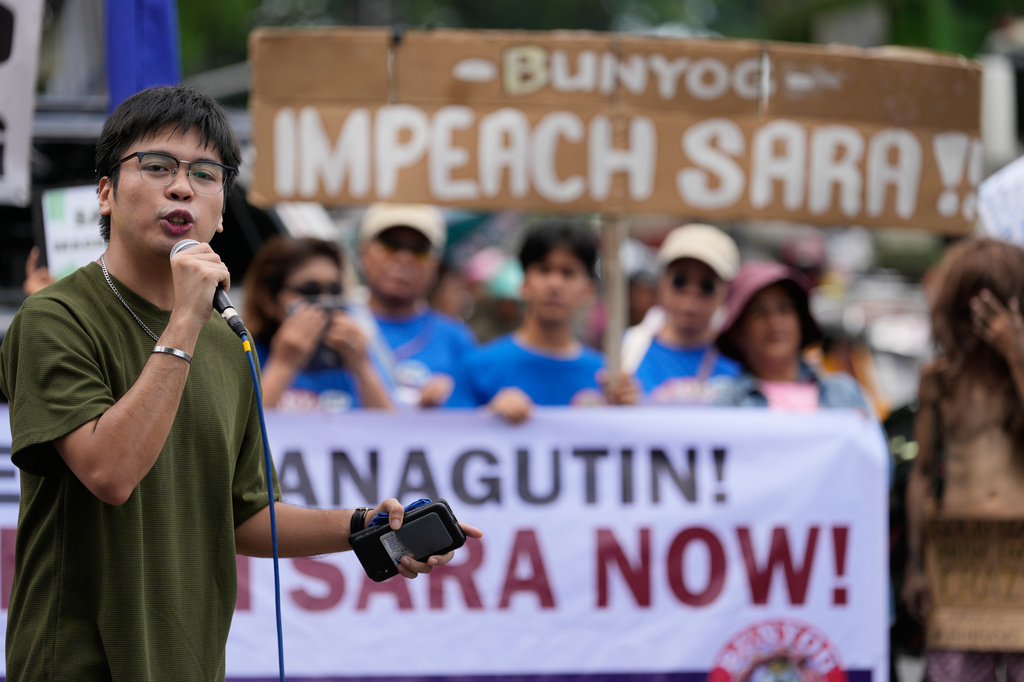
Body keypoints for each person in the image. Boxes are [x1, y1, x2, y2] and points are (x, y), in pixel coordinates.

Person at [0, 85, 481, 682]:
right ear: (105, 193)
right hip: (77, 661)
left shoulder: (229, 341)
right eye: (156, 167)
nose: (182, 187)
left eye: (206, 174)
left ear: (221, 210)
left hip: (191, 659)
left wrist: (366, 526)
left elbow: (246, 516)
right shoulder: (56, 317)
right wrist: (184, 321)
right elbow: (110, 473)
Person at [902, 238, 1024, 682]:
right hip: (958, 560)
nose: (981, 323)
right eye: (973, 309)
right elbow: (920, 473)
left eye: (993, 310)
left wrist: (1015, 353)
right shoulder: (940, 379)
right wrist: (916, 566)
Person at [465, 221, 605, 423]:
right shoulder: (478, 367)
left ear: (589, 290)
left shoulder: (605, 379)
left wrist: (627, 411)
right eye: (543, 270)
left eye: (568, 272)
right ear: (523, 283)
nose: (554, 284)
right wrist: (487, 419)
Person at [241, 234, 392, 411]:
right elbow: (244, 434)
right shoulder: (245, 355)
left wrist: (362, 366)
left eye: (335, 291)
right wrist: (283, 364)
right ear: (269, 299)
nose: (325, 302)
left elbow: (390, 430)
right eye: (310, 291)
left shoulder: (350, 354)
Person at [358, 202, 477, 408]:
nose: (404, 258)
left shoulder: (456, 339)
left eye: (419, 250)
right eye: (390, 245)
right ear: (364, 252)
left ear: (435, 265)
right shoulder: (338, 324)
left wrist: (450, 399)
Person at [611, 223, 742, 406]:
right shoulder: (624, 349)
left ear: (726, 293)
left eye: (707, 286)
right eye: (680, 281)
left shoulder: (740, 359)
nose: (691, 297)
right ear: (661, 283)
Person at [712, 261, 870, 410]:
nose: (774, 321)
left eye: (784, 308)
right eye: (759, 311)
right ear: (737, 333)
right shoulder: (723, 404)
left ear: (801, 322)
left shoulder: (845, 395)